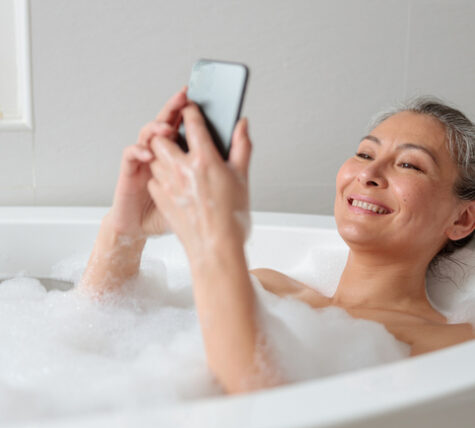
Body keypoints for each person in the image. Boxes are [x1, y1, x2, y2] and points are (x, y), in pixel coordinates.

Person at [79, 89, 475, 395]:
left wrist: (214, 237)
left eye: (409, 164)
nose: (368, 172)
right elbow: (92, 333)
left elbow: (272, 427)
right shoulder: (265, 286)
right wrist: (124, 228)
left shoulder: (455, 346)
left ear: (461, 218)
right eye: (363, 153)